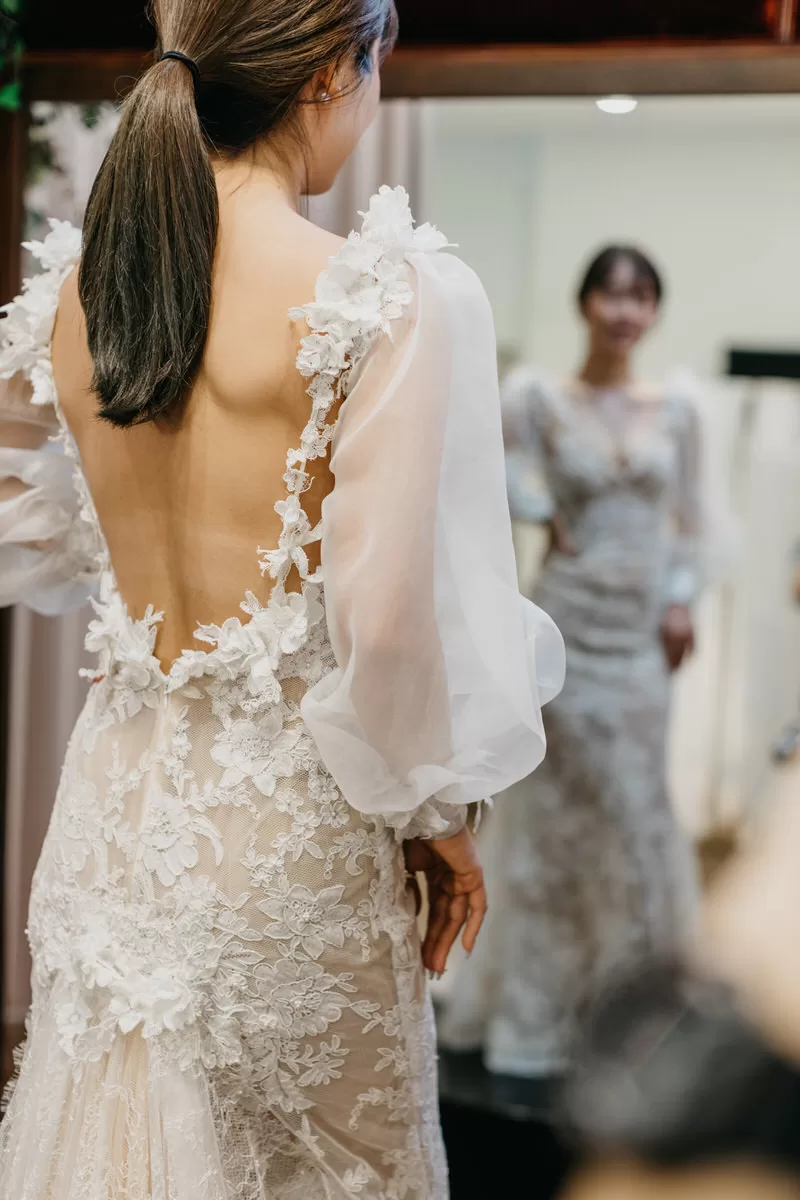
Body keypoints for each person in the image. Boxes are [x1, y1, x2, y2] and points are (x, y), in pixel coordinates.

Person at [0, 2, 565, 1196]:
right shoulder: (378, 294)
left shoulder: (70, 295)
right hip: (289, 848)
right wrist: (438, 816)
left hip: (112, 823)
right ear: (328, 71)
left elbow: (23, 504)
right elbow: (394, 620)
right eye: (377, 71)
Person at [439, 246, 701, 1078]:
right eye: (612, 294)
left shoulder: (681, 407)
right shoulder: (539, 396)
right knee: (553, 821)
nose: (626, 312)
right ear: (583, 303)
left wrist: (681, 598)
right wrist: (544, 505)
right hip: (566, 628)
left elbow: (692, 521)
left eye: (642, 297)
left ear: (655, 312)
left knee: (637, 817)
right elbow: (486, 470)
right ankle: (534, 1014)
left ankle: (635, 1024)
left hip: (638, 639)